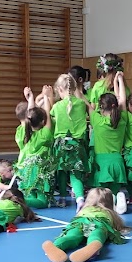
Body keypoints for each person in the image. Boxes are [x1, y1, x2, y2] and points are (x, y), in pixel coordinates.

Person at [42, 187, 130, 262]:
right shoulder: (108, 212)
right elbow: (117, 226)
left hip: (79, 222)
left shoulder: (83, 210)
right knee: (96, 234)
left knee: (72, 236)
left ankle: (56, 245)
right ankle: (93, 247)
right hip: (99, 223)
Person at [85, 81, 128, 213]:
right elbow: (123, 100)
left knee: (100, 199)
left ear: (101, 108)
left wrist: (77, 91)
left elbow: (86, 103)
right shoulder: (122, 119)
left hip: (101, 163)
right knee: (111, 193)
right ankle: (117, 198)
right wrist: (119, 80)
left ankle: (114, 200)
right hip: (117, 162)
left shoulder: (98, 121)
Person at [50, 73, 89, 208]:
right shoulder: (82, 104)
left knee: (61, 172)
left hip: (61, 144)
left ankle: (62, 198)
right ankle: (80, 199)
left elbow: (51, 118)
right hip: (77, 144)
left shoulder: (57, 106)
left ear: (59, 89)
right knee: (75, 173)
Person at [14, 86, 56, 208]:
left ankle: (24, 199)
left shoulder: (24, 132)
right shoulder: (44, 135)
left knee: (31, 194)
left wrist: (30, 98)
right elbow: (47, 115)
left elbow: (30, 114)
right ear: (43, 121)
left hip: (26, 170)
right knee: (43, 202)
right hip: (39, 171)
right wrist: (46, 97)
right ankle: (19, 200)